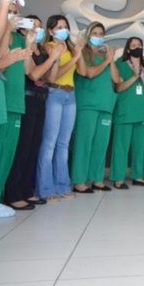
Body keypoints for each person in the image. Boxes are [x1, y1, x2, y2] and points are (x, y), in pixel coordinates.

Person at [4, 16, 63, 210]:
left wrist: (55, 58)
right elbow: (33, 74)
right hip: (26, 98)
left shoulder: (39, 49)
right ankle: (13, 193)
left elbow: (50, 78)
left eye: (39, 27)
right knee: (23, 147)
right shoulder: (22, 44)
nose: (36, 30)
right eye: (33, 26)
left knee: (33, 147)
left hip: (41, 99)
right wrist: (52, 58)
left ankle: (27, 190)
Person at [35, 15, 83, 201]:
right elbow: (53, 77)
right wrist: (74, 58)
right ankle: (46, 189)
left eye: (65, 26)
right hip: (54, 94)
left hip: (70, 95)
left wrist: (77, 53)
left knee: (64, 143)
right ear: (50, 31)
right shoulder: (49, 47)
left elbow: (80, 71)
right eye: (59, 27)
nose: (63, 29)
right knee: (49, 143)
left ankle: (62, 185)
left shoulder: (69, 48)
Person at [0, 12, 32, 219]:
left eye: (16, 11)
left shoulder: (21, 38)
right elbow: (1, 61)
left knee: (5, 155)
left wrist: (29, 45)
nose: (14, 15)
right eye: (9, 10)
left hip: (16, 101)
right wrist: (5, 27)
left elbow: (27, 70)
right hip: (1, 99)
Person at [70, 22, 119, 194]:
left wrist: (110, 59)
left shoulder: (106, 55)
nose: (98, 36)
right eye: (95, 33)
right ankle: (79, 180)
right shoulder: (82, 52)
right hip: (88, 104)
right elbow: (89, 73)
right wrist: (106, 60)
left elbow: (116, 79)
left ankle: (97, 179)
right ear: (88, 35)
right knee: (84, 143)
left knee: (101, 144)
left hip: (106, 105)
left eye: (100, 33)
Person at [110, 37, 144, 188]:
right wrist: (134, 76)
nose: (137, 47)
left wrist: (142, 78)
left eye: (140, 45)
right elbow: (118, 87)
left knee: (140, 147)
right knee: (121, 146)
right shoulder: (121, 64)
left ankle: (138, 176)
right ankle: (118, 179)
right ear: (128, 49)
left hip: (142, 111)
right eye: (134, 45)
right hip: (125, 112)